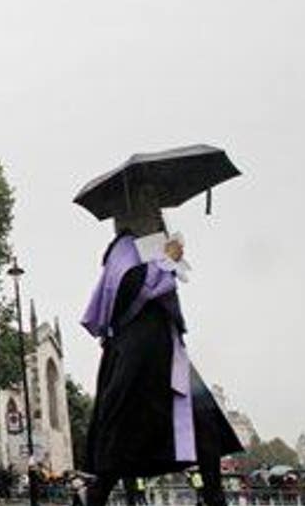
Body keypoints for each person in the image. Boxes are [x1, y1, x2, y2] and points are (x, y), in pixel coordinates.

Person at [80, 206, 243, 506]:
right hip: (136, 357)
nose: (157, 216)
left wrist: (169, 260)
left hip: (167, 353)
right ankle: (95, 496)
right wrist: (166, 262)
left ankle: (215, 496)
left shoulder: (151, 249)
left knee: (204, 425)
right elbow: (128, 288)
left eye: (158, 211)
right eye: (150, 209)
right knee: (120, 438)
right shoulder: (123, 250)